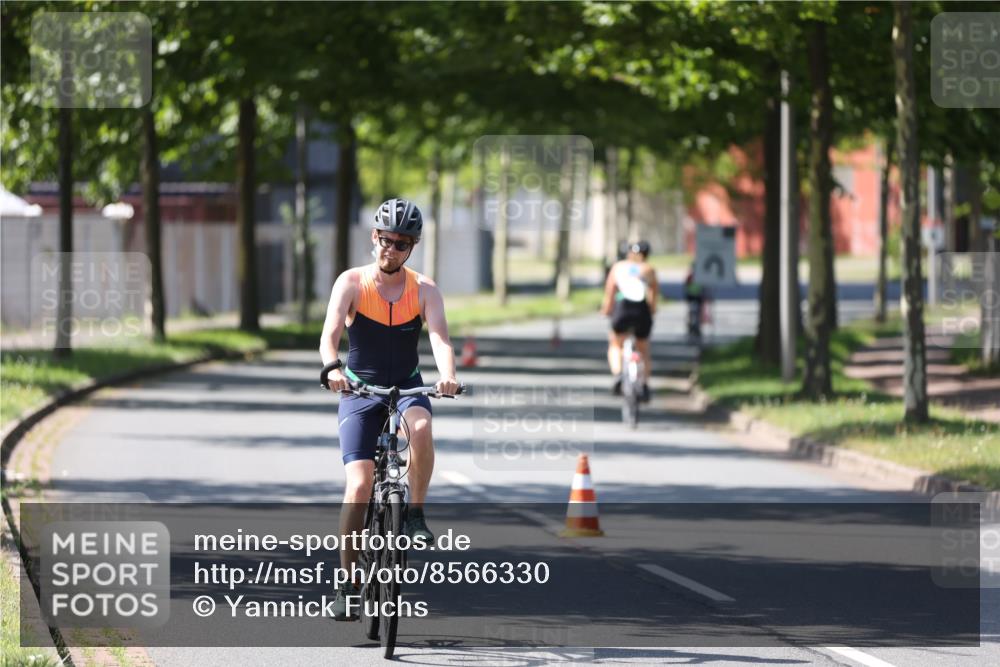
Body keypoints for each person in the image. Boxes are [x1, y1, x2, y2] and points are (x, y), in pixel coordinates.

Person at [319, 197, 460, 620]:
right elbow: (328, 335)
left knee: (421, 430)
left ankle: (414, 513)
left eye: (401, 243)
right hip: (359, 391)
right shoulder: (351, 283)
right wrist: (331, 368)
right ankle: (347, 584)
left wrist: (447, 374)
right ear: (373, 238)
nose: (391, 250)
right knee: (359, 486)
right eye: (385, 240)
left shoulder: (425, 289)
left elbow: (439, 338)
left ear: (411, 247)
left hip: (408, 387)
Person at [600, 240, 657, 402]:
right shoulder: (649, 269)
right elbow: (653, 296)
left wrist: (606, 310)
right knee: (643, 349)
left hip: (622, 309)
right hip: (641, 311)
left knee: (615, 344)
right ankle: (644, 384)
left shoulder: (618, 267)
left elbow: (610, 292)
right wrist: (651, 311)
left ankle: (618, 374)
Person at [684, 263, 705, 339]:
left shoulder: (700, 277)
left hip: (698, 296)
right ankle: (690, 327)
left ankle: (697, 328)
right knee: (691, 312)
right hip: (692, 296)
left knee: (698, 313)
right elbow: (686, 286)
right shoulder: (690, 277)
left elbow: (703, 287)